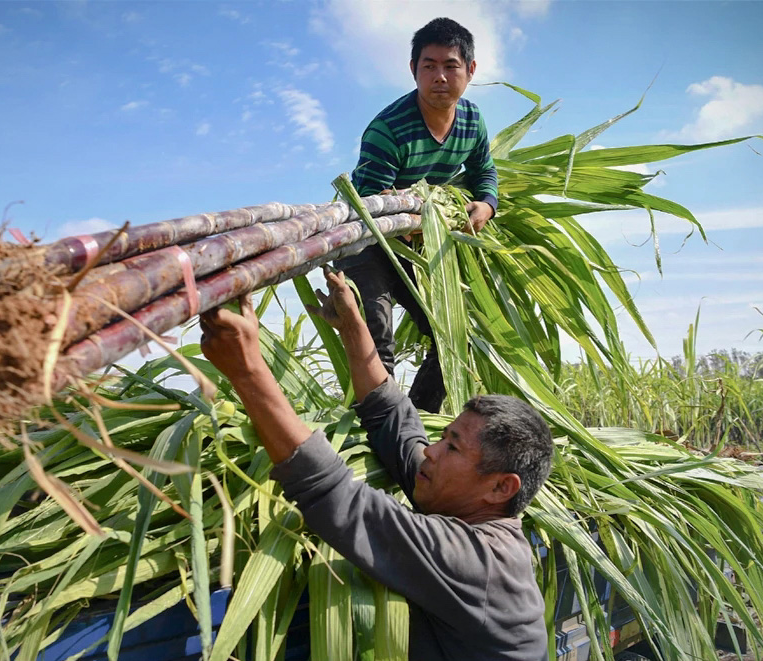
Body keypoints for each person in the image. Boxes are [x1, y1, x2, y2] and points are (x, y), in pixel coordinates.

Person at [199, 267, 554, 660]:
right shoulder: (469, 510)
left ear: (501, 487)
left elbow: (339, 500)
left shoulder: (478, 562)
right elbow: (395, 424)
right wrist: (352, 323)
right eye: (443, 437)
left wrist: (248, 370)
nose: (432, 451)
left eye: (452, 448)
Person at [334, 17, 499, 414]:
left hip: (418, 248)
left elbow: (484, 172)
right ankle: (377, 436)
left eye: (450, 65)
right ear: (413, 70)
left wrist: (486, 204)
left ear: (470, 70)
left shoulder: (472, 123)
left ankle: (418, 423)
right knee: (377, 344)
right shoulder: (388, 128)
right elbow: (374, 201)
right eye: (429, 66)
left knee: (453, 336)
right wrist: (414, 215)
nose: (440, 77)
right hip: (367, 243)